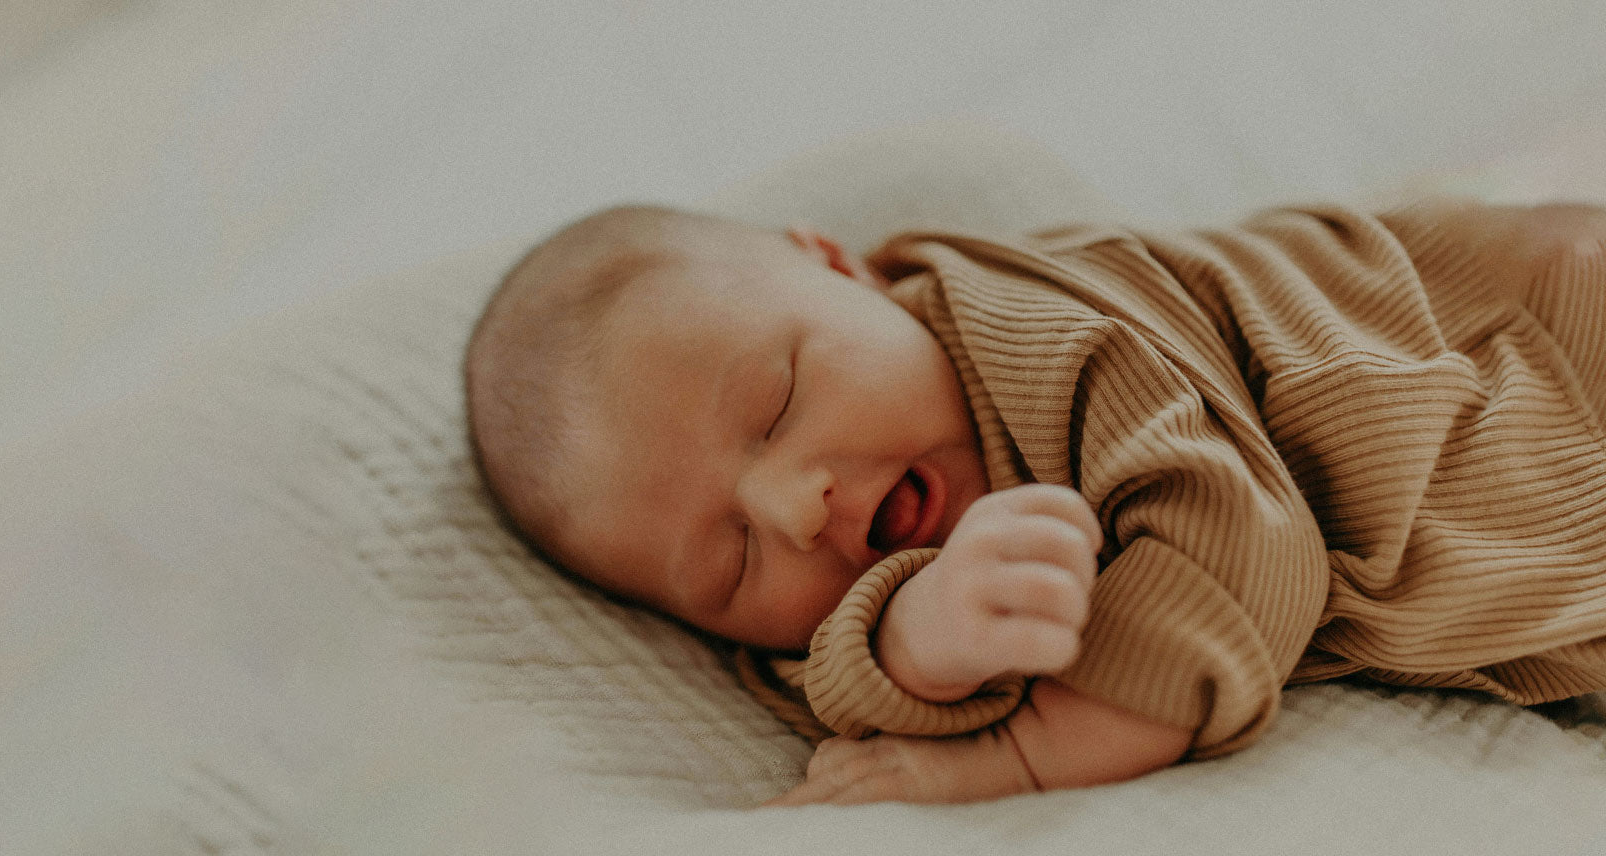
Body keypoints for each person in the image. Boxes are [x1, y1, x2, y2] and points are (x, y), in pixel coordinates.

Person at [463, 198, 1606, 805]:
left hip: (1550, 353)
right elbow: (835, 690)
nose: (793, 506)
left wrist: (1011, 764)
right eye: (728, 562)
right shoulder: (832, 609)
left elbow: (1239, 544)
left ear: (837, 263)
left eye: (776, 401)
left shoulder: (1035, 326)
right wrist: (915, 642)